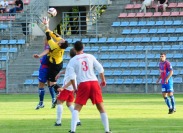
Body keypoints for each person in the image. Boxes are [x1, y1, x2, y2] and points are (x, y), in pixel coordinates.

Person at [67, 41, 111, 133]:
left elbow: (71, 76)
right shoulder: (90, 56)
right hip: (94, 82)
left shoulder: (73, 60)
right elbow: (100, 69)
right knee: (101, 107)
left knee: (77, 108)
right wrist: (103, 80)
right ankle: (107, 130)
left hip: (83, 84)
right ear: (83, 48)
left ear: (74, 49)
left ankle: (73, 130)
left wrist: (75, 88)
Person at [42, 17, 68, 108]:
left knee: (52, 83)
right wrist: (47, 25)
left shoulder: (55, 46)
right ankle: (56, 97)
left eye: (61, 41)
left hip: (55, 65)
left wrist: (46, 26)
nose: (61, 39)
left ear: (60, 44)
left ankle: (60, 93)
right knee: (50, 82)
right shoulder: (61, 43)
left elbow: (48, 36)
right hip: (57, 63)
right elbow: (51, 33)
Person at [54, 48, 81, 127]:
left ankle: (58, 122)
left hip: (68, 87)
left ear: (69, 54)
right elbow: (69, 71)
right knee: (69, 104)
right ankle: (77, 120)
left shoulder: (72, 62)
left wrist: (63, 87)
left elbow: (72, 78)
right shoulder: (75, 62)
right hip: (72, 88)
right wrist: (60, 73)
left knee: (59, 102)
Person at [33, 38, 51, 110]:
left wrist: (39, 56)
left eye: (45, 40)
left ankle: (41, 103)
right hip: (49, 68)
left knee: (41, 85)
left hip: (44, 69)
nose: (44, 41)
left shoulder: (48, 47)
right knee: (51, 84)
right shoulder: (49, 46)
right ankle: (53, 100)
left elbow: (47, 51)